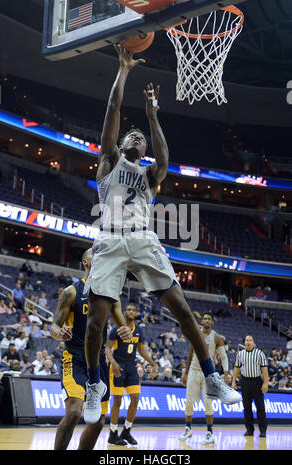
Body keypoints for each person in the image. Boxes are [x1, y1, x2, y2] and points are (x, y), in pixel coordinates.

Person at [82, 44, 241, 425]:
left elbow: (165, 159)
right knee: (96, 321)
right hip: (108, 240)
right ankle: (93, 386)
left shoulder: (150, 174)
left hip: (142, 238)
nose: (136, 138)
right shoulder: (108, 162)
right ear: (120, 145)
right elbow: (113, 110)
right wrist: (123, 70)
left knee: (183, 308)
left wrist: (153, 116)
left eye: (141, 138)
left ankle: (214, 378)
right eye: (131, 135)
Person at [50, 248, 132, 450]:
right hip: (74, 357)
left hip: (97, 361)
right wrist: (60, 332)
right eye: (95, 255)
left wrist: (125, 333)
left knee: (98, 423)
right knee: (74, 412)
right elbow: (53, 326)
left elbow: (122, 325)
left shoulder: (111, 294)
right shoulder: (71, 292)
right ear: (85, 262)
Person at [106, 303, 158, 446]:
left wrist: (153, 364)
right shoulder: (117, 329)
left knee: (135, 399)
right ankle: (112, 433)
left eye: (133, 310)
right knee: (117, 401)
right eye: (128, 309)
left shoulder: (139, 330)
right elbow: (107, 348)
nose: (130, 311)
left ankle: (126, 431)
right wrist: (113, 363)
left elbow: (141, 350)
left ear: (136, 313)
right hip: (118, 365)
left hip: (131, 366)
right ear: (124, 312)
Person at [179, 311, 230, 445]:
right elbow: (190, 354)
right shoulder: (196, 333)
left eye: (209, 319)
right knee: (189, 402)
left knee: (208, 403)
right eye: (204, 318)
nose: (206, 321)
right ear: (202, 321)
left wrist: (226, 372)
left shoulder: (216, 337)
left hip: (209, 372)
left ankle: (209, 433)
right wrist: (185, 373)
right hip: (194, 371)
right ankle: (187, 428)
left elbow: (224, 357)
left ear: (212, 322)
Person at [232, 335, 269, 438]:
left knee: (260, 407)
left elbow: (264, 369)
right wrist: (233, 381)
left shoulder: (259, 353)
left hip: (257, 382)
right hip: (245, 382)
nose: (248, 342)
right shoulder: (240, 354)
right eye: (247, 340)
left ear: (253, 342)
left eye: (250, 340)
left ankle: (263, 431)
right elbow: (237, 368)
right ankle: (249, 429)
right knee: (247, 407)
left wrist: (265, 383)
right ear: (244, 343)